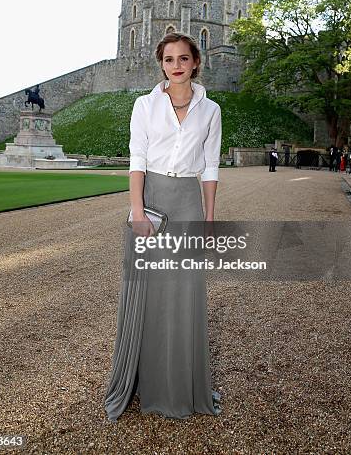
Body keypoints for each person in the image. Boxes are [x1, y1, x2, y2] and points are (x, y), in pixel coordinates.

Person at [104, 32, 222, 422]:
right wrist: (136, 211)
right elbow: (137, 158)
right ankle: (143, 381)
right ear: (161, 64)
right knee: (147, 291)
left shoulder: (211, 110)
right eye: (169, 59)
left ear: (194, 63)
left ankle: (181, 387)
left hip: (188, 202)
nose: (176, 65)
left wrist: (207, 220)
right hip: (151, 200)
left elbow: (209, 168)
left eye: (183, 58)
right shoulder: (144, 105)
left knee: (184, 292)